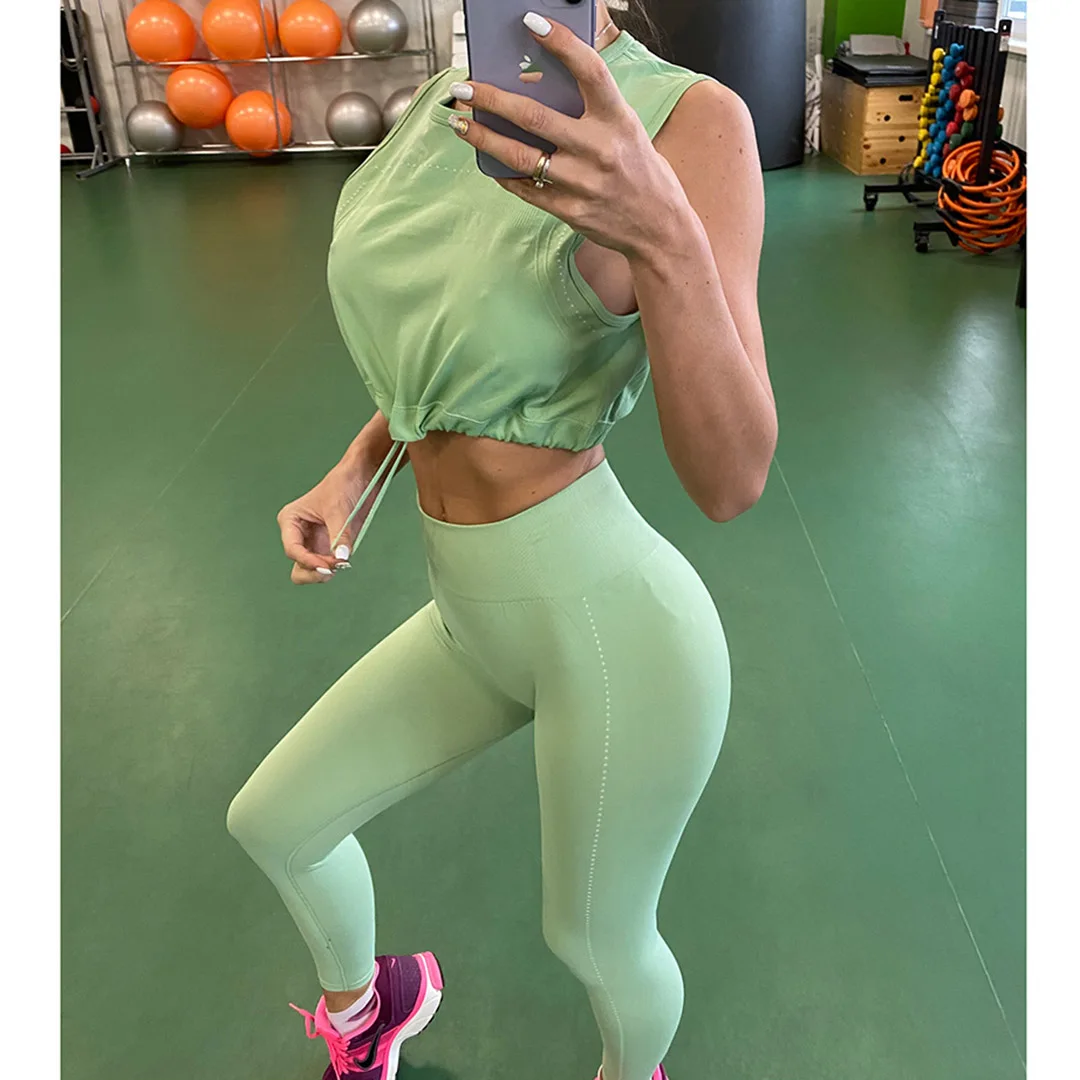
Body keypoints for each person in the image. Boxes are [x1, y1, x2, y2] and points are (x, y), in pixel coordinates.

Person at [226, 3, 776, 1079]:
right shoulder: (449, 99)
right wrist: (358, 467)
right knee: (276, 823)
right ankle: (373, 1011)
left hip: (616, 630)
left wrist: (662, 232)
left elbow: (734, 479)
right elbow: (454, 341)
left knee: (593, 937)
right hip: (474, 615)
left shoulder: (694, 121)